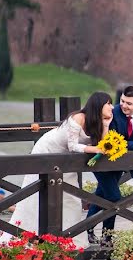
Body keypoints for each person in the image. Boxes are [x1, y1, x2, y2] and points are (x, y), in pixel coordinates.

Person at [9, 92, 114, 237]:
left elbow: (104, 145)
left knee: (71, 198)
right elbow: (73, 146)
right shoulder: (78, 118)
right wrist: (94, 149)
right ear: (98, 104)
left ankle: (69, 238)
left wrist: (106, 125)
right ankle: (30, 234)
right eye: (108, 103)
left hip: (66, 160)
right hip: (49, 150)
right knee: (37, 192)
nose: (111, 107)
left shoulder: (98, 122)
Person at [86, 85, 133, 244]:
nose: (123, 105)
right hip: (102, 159)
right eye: (122, 101)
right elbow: (112, 142)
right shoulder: (113, 112)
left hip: (119, 162)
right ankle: (107, 237)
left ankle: (88, 226)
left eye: (129, 103)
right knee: (114, 197)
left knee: (102, 194)